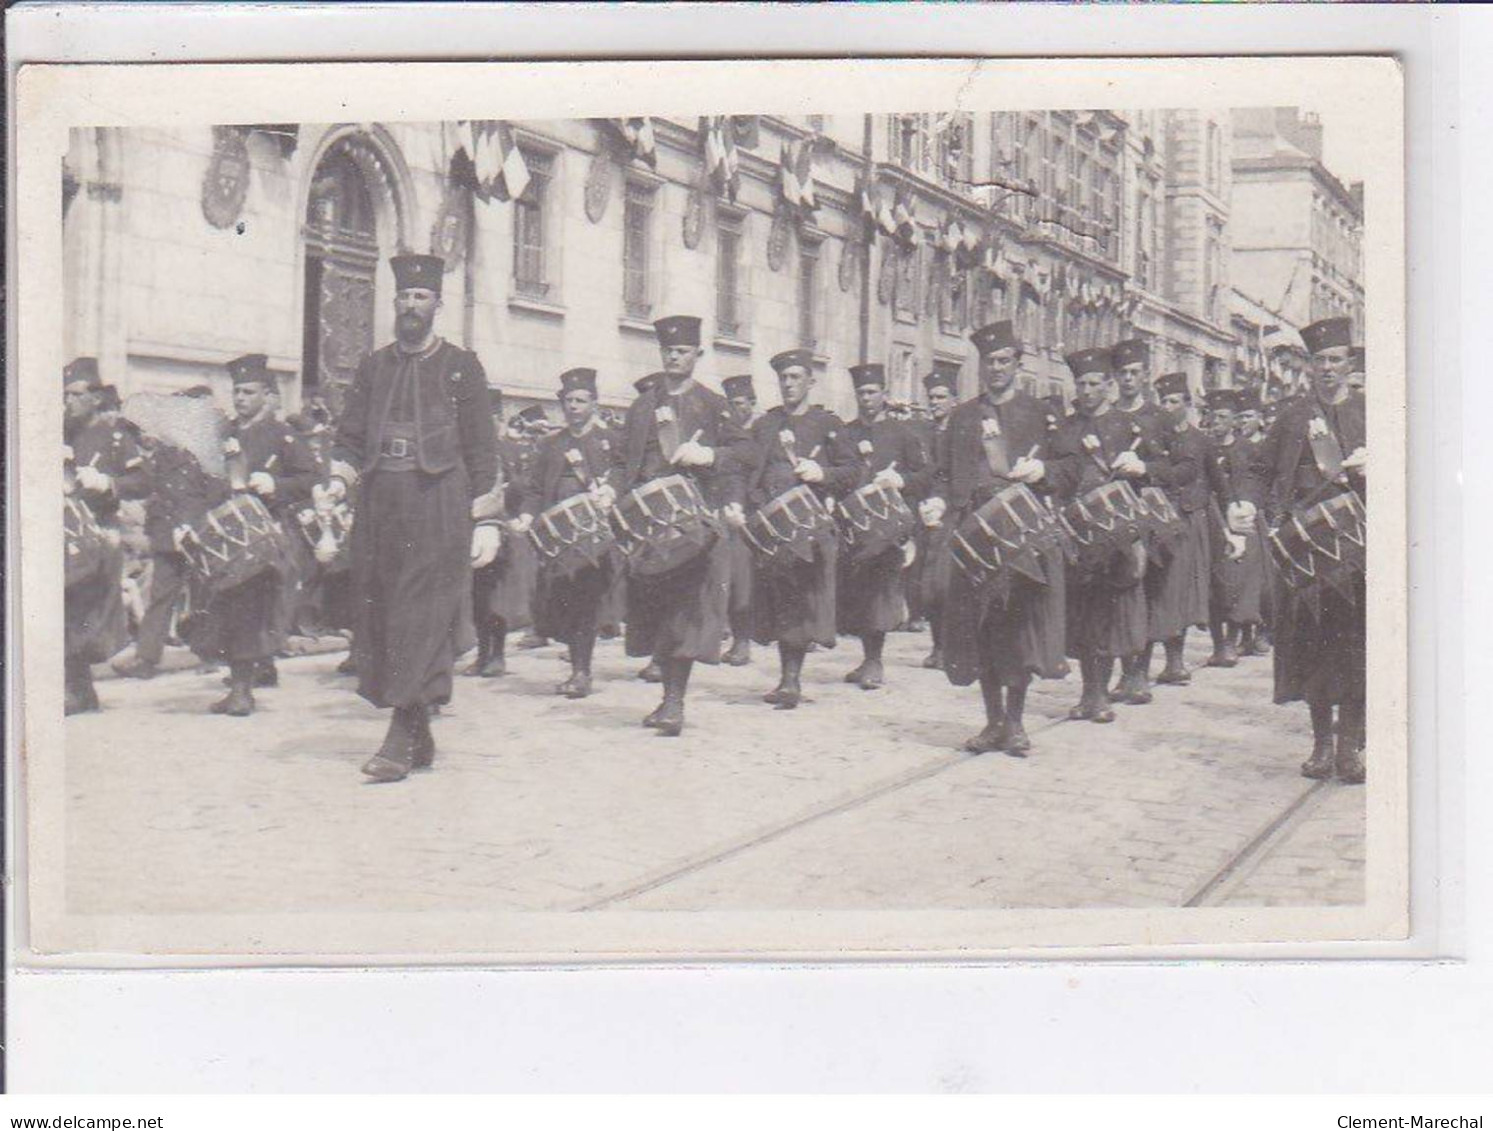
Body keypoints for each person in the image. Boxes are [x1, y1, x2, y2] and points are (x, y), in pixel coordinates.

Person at [319, 252, 501, 783]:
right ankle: (419, 731)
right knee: (383, 613)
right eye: (403, 297)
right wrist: (337, 480)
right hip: (380, 505)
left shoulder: (461, 365)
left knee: (419, 616)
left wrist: (486, 519)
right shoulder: (375, 366)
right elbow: (351, 436)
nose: (410, 306)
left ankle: (399, 738)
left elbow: (483, 447)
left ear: (437, 305)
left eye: (421, 297)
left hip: (438, 502)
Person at [927, 321, 1073, 756]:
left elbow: (1069, 467)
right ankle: (992, 722)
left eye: (1004, 361)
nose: (996, 369)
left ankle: (1016, 721)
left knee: (1016, 628)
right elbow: (942, 472)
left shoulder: (1038, 414)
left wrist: (1044, 471)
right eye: (989, 362)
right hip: (973, 532)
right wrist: (935, 500)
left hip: (1021, 532)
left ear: (1017, 364)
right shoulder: (964, 416)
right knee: (981, 629)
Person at [617, 315, 752, 736]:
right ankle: (666, 698)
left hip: (693, 526)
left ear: (697, 354)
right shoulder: (642, 405)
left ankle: (674, 702)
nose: (674, 356)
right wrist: (611, 491)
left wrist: (710, 457)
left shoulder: (712, 405)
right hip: (649, 527)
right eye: (668, 350)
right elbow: (623, 461)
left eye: (682, 350)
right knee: (656, 614)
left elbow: (745, 452)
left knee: (685, 615)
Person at [1258, 316, 1367, 784]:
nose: (1327, 368)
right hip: (1307, 550)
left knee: (1358, 646)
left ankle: (1350, 748)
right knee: (1315, 648)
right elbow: (1259, 468)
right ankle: (1322, 744)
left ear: (1350, 363)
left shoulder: (1373, 413)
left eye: (1335, 360)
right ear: (1309, 366)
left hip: (1361, 549)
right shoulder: (1294, 415)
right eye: (1319, 360)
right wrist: (1247, 501)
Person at [184, 353, 318, 715]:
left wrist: (275, 483)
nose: (240, 398)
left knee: (248, 611)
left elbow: (309, 478)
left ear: (267, 394)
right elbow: (204, 479)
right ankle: (242, 681)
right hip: (225, 538)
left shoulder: (282, 435)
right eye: (236, 391)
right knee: (225, 610)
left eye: (248, 391)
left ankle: (243, 691)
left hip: (263, 538)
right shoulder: (223, 433)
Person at [742, 348, 857, 709]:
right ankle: (786, 676)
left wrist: (823, 473)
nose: (789, 384)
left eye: (796, 377)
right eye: (784, 378)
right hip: (770, 525)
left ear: (811, 381)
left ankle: (791, 679)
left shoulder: (828, 425)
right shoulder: (765, 425)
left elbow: (853, 471)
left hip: (808, 527)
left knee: (797, 601)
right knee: (775, 600)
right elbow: (749, 468)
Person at [1052, 347, 1150, 724]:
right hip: (1076, 532)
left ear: (1109, 385)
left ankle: (1100, 695)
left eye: (1095, 383)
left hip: (1116, 535)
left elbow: (1155, 472)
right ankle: (1087, 693)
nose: (1088, 390)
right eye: (1081, 383)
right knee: (1081, 615)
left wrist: (1141, 468)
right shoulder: (1064, 427)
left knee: (1107, 616)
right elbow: (1057, 475)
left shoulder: (1127, 426)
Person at [515, 367, 619, 699]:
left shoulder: (608, 442)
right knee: (564, 603)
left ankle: (581, 672)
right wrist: (528, 515)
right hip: (557, 537)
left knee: (585, 603)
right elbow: (533, 488)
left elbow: (623, 476)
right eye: (568, 400)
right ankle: (577, 666)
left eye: (580, 400)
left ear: (594, 403)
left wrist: (609, 492)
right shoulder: (551, 444)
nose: (573, 406)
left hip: (593, 537)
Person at [836, 362, 931, 690]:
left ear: (885, 394)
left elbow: (924, 476)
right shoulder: (846, 433)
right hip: (854, 525)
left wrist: (900, 479)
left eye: (872, 392)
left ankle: (875, 661)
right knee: (859, 592)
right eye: (861, 392)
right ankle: (866, 659)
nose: (866, 398)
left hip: (888, 525)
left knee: (879, 592)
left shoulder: (903, 434)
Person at [63, 358, 150, 714]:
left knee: (80, 613)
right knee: (65, 611)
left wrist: (109, 483)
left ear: (96, 397)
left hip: (99, 538)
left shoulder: (116, 438)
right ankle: (81, 689)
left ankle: (79, 689)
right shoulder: (59, 432)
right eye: (65, 394)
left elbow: (144, 480)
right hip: (64, 535)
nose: (68, 402)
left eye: (76, 394)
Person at [1136, 371, 1209, 692]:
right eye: (1163, 400)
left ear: (1187, 404)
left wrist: (1149, 469)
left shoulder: (1197, 439)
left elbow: (1189, 471)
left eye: (1174, 401)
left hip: (1184, 521)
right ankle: (1140, 668)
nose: (1167, 406)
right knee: (1151, 589)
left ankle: (1175, 661)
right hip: (1153, 519)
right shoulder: (1150, 436)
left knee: (1175, 591)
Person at [465, 388, 540, 677]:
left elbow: (523, 487)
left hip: (501, 530)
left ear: (497, 419)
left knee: (496, 598)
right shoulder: (470, 452)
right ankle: (482, 653)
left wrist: (511, 497)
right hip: (472, 527)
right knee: (476, 597)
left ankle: (497, 654)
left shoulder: (506, 450)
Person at [1202, 388, 1267, 667]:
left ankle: (1231, 641)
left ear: (1234, 420)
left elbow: (1256, 485)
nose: (1216, 423)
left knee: (1236, 582)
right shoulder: (1204, 446)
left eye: (1223, 417)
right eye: (1212, 416)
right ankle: (1219, 644)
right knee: (1212, 583)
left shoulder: (1248, 450)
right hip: (1209, 519)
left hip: (1239, 519)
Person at [914, 372, 958, 669]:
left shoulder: (961, 433)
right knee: (926, 585)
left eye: (942, 397)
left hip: (953, 512)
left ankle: (948, 648)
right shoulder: (923, 434)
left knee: (946, 583)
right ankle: (937, 645)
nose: (935, 403)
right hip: (924, 511)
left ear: (954, 400)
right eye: (931, 397)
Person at [720, 373, 760, 667]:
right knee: (732, 577)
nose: (737, 409)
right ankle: (736, 637)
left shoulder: (762, 431)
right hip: (729, 511)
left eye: (741, 403)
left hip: (756, 511)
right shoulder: (725, 434)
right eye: (732, 404)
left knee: (746, 579)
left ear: (752, 403)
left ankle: (744, 640)